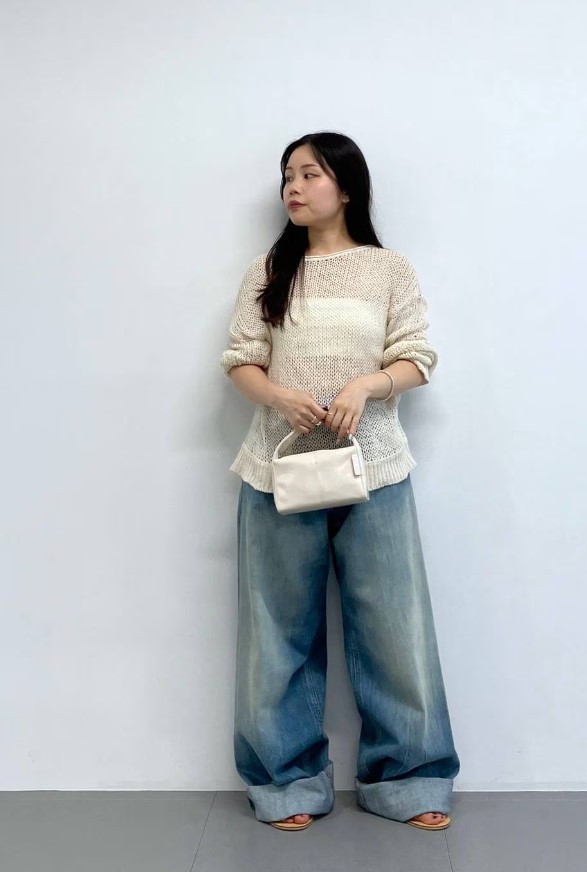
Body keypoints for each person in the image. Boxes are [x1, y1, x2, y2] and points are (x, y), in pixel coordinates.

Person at [220, 131, 460, 832]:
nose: (292, 188)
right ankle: (285, 784)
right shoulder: (269, 270)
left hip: (375, 468)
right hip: (278, 470)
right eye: (286, 176)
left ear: (346, 187)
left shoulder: (388, 269)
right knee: (277, 634)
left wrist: (368, 384)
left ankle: (409, 778)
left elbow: (416, 356)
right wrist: (277, 396)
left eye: (309, 174)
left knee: (394, 628)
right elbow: (240, 359)